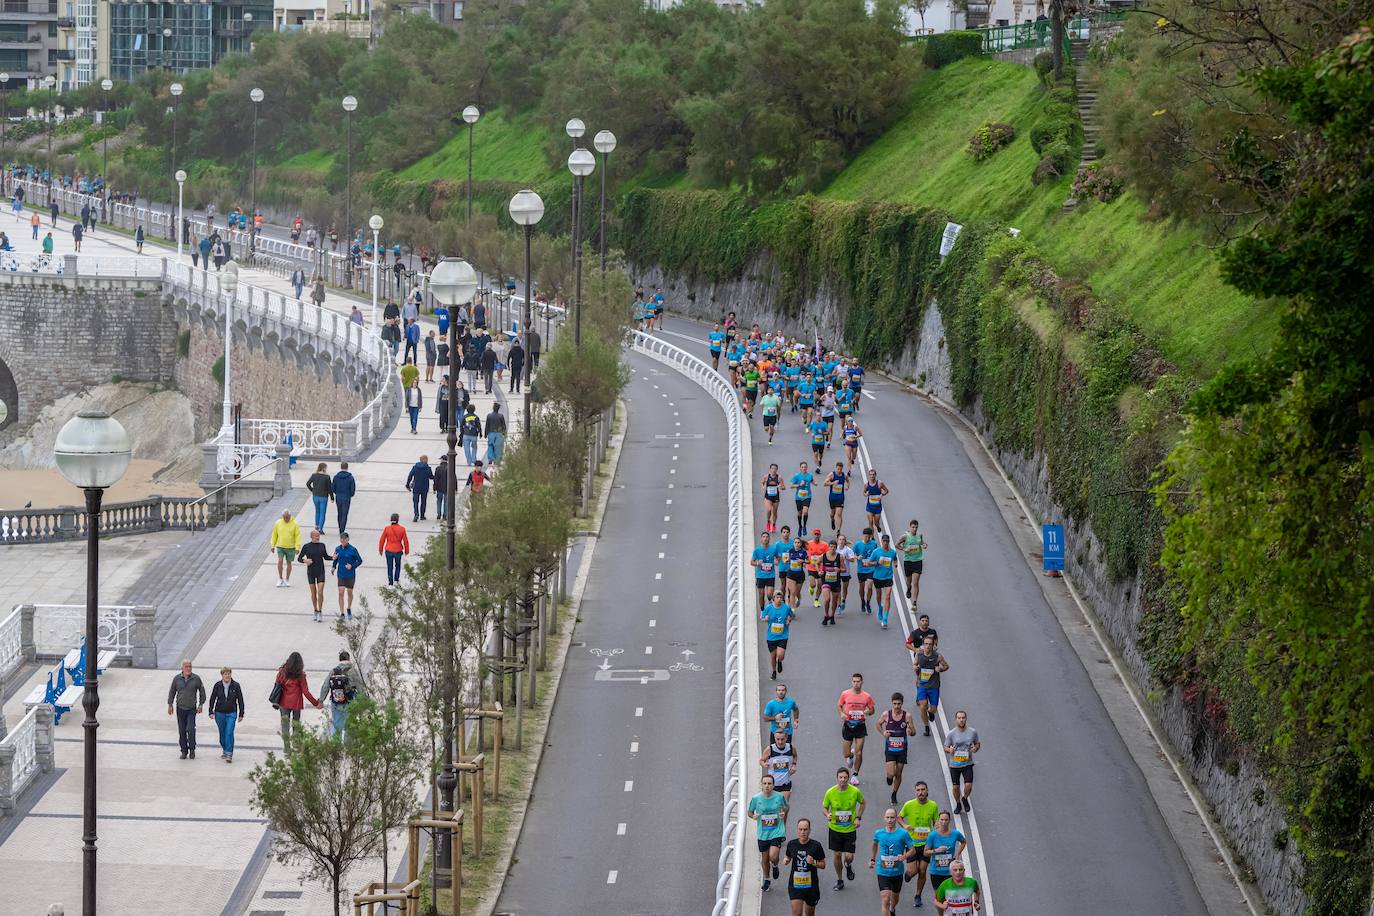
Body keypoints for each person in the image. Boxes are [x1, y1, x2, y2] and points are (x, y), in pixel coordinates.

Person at [822, 767, 865, 891]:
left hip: (850, 829)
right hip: (835, 829)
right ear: (837, 778)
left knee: (849, 856)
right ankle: (840, 879)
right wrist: (827, 814)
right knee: (837, 855)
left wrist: (858, 818)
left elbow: (863, 803)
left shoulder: (854, 791)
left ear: (848, 778)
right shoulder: (830, 792)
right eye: (840, 777)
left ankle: (848, 865)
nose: (843, 780)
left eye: (845, 777)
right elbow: (824, 807)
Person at [899, 781, 941, 907]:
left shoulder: (933, 805)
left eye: (923, 789)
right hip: (911, 844)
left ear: (927, 791)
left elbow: (935, 822)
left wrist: (937, 827)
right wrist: (905, 825)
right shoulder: (909, 805)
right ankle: (909, 873)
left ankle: (918, 895)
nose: (921, 792)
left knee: (922, 871)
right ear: (915, 791)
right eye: (918, 790)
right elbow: (899, 817)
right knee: (913, 871)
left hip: (926, 844)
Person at [272, 651, 321, 753]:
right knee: (296, 724)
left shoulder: (282, 672)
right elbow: (306, 692)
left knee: (285, 725)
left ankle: (286, 747)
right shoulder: (301, 675)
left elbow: (277, 684)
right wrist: (316, 703)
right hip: (296, 703)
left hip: (283, 702)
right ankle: (296, 744)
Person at [869, 807, 916, 914]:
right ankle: (889, 908)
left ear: (896, 819)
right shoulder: (878, 833)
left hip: (897, 872)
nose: (890, 820)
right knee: (885, 900)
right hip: (883, 872)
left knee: (894, 899)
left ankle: (893, 908)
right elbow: (874, 844)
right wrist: (872, 858)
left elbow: (912, 850)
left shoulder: (903, 834)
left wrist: (904, 856)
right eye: (888, 817)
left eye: (892, 817)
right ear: (884, 818)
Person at [748, 774, 790, 892]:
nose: (767, 786)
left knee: (773, 856)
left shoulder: (779, 797)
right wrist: (754, 816)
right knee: (765, 858)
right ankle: (767, 879)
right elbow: (750, 812)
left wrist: (783, 813)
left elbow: (786, 807)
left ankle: (775, 865)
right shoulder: (756, 799)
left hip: (777, 831)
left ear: (773, 785)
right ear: (761, 785)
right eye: (765, 783)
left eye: (769, 783)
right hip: (763, 832)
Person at [783, 818, 826, 916]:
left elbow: (823, 864)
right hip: (795, 885)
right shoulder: (791, 844)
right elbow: (788, 856)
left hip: (811, 887)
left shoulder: (816, 845)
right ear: (797, 830)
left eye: (805, 829)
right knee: (797, 914)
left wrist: (814, 862)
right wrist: (786, 860)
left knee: (810, 914)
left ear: (809, 830)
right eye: (800, 829)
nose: (802, 832)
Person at [878, 693, 916, 805]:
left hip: (902, 750)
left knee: (898, 774)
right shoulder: (886, 714)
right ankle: (889, 777)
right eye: (894, 704)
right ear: (892, 703)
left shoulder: (907, 716)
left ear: (902, 703)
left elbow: (914, 732)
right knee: (891, 773)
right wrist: (883, 733)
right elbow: (878, 724)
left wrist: (910, 731)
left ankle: (894, 794)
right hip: (890, 749)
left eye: (899, 704)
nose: (896, 706)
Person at [838, 673, 875, 784]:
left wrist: (868, 711)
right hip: (848, 725)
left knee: (859, 752)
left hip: (860, 726)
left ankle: (855, 774)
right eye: (854, 681)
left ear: (862, 682)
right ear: (851, 682)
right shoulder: (845, 694)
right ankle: (850, 755)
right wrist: (841, 714)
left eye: (858, 681)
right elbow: (839, 705)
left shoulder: (866, 696)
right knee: (846, 753)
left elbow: (872, 710)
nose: (856, 684)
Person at [166, 659, 206, 760]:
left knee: (190, 729)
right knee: (182, 730)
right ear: (182, 668)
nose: (188, 668)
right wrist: (170, 704)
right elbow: (172, 692)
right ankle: (184, 751)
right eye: (186, 666)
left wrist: (201, 704)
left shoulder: (196, 678)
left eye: (190, 666)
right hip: (180, 709)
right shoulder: (177, 679)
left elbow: (202, 692)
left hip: (192, 709)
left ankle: (192, 749)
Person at [921, 811, 966, 899]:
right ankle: (941, 913)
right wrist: (936, 850)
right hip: (936, 871)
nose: (944, 822)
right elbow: (925, 852)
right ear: (938, 820)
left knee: (950, 897)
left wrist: (958, 854)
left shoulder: (955, 834)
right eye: (941, 820)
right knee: (939, 898)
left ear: (949, 821)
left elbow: (963, 842)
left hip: (950, 871)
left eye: (946, 820)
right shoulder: (932, 835)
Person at [944, 710, 981, 813]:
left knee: (968, 785)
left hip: (967, 763)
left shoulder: (972, 732)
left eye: (963, 718)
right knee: (956, 787)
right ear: (956, 720)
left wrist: (975, 748)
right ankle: (958, 803)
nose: (961, 720)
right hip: (954, 765)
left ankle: (964, 798)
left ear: (966, 719)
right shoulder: (951, 734)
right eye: (959, 718)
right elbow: (945, 747)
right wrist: (949, 750)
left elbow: (978, 743)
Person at [206, 666, 245, 763]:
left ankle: (229, 753)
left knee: (229, 733)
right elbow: (212, 698)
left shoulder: (236, 685)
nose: (227, 675)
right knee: (222, 734)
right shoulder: (217, 685)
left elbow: (240, 700)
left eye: (229, 673)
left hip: (232, 712)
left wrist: (241, 713)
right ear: (222, 675)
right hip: (219, 713)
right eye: (225, 674)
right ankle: (225, 748)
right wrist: (210, 711)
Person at [915, 635, 949, 737]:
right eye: (926, 644)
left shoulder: (938, 656)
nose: (928, 646)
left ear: (933, 645)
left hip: (934, 686)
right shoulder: (919, 655)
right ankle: (926, 727)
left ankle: (931, 713)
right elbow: (915, 664)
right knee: (923, 706)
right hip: (922, 685)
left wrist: (941, 669)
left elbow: (947, 666)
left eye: (930, 644)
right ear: (923, 644)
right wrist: (915, 667)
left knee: (933, 709)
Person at [297, 528, 332, 622]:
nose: (318, 537)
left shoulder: (322, 545)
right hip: (311, 572)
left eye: (319, 536)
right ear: (312, 536)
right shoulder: (306, 546)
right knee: (313, 593)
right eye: (316, 536)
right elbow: (299, 558)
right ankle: (315, 610)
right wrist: (305, 561)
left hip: (320, 571)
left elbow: (326, 557)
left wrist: (333, 557)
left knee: (320, 592)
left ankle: (320, 611)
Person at [325, 650, 362, 737]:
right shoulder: (353, 671)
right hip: (350, 701)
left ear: (339, 659)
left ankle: (336, 745)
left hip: (336, 701)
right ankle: (348, 746)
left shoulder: (334, 671)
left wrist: (321, 700)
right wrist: (363, 699)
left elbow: (325, 686)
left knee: (337, 725)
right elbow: (360, 686)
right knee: (350, 725)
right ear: (349, 659)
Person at [761, 589, 795, 680]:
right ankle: (774, 671)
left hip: (783, 635)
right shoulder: (769, 608)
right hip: (771, 637)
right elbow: (762, 617)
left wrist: (789, 620)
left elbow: (792, 615)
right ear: (773, 599)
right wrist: (766, 619)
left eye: (780, 597)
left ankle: (779, 661)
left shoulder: (786, 608)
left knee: (780, 655)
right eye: (777, 597)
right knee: (773, 656)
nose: (779, 599)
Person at [760, 727, 798, 803]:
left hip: (785, 783)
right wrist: (764, 764)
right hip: (772, 784)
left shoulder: (791, 748)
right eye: (777, 739)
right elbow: (761, 760)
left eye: (782, 739)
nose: (780, 742)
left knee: (784, 804)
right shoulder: (770, 749)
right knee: (772, 805)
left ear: (786, 738)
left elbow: (795, 756)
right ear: (774, 738)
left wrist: (794, 765)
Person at [869, 533, 898, 628]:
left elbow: (895, 559)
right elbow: (869, 563)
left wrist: (895, 564)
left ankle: (885, 619)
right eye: (884, 541)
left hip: (888, 577)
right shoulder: (876, 552)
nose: (885, 543)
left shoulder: (893, 552)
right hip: (877, 577)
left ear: (889, 542)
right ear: (881, 541)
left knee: (888, 596)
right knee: (878, 595)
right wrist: (877, 563)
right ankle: (880, 607)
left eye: (887, 541)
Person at [897, 519, 927, 606]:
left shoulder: (919, 535)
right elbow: (896, 545)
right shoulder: (905, 536)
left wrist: (924, 545)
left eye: (916, 527)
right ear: (910, 527)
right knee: (909, 581)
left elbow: (922, 542)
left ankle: (914, 602)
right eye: (913, 527)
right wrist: (905, 549)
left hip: (918, 561)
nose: (914, 529)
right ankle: (908, 588)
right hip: (908, 561)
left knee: (916, 583)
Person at [332, 532, 363, 618]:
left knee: (349, 593)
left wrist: (352, 566)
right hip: (341, 574)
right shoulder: (337, 549)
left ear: (348, 539)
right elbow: (335, 558)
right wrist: (333, 567)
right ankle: (342, 613)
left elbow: (360, 560)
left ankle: (348, 608)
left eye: (345, 539)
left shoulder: (353, 549)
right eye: (341, 539)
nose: (343, 540)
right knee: (341, 592)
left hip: (350, 575)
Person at [270, 510, 302, 587]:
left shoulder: (295, 524)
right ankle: (280, 578)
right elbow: (274, 535)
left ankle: (287, 579)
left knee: (289, 563)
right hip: (280, 546)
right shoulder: (278, 523)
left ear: (290, 516)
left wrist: (297, 547)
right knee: (280, 561)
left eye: (287, 517)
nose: (286, 519)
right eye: (284, 517)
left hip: (290, 547)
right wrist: (272, 545)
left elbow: (298, 536)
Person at [379, 513, 409, 585]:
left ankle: (390, 583)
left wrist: (381, 550)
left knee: (390, 567)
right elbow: (405, 541)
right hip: (398, 550)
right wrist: (406, 551)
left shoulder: (387, 529)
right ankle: (396, 579)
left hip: (388, 550)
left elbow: (382, 540)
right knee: (397, 566)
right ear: (398, 520)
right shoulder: (402, 529)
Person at [405, 454, 433, 521]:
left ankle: (416, 514)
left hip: (416, 487)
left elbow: (410, 476)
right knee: (423, 501)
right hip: (424, 487)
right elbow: (431, 477)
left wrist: (407, 484)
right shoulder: (427, 468)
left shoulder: (415, 467)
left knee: (415, 501)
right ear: (425, 460)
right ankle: (422, 515)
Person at [307, 462, 333, 531]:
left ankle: (316, 526)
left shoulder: (314, 475)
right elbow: (329, 488)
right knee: (322, 513)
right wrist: (332, 497)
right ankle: (320, 529)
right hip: (324, 496)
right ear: (324, 468)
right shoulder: (327, 477)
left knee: (317, 511)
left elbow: (308, 484)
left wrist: (312, 490)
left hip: (315, 496)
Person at [332, 461, 356, 534]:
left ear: (341, 467)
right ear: (347, 467)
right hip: (346, 498)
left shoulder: (336, 477)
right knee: (344, 514)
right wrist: (350, 495)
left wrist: (337, 493)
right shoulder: (350, 477)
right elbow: (352, 488)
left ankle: (340, 527)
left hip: (338, 497)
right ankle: (342, 529)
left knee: (339, 513)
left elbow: (333, 487)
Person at [862, 468, 889, 532]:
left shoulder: (880, 483)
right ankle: (872, 537)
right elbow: (863, 493)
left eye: (873, 474)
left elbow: (886, 491)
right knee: (870, 522)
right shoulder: (866, 484)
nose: (872, 476)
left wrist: (882, 494)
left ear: (875, 475)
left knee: (876, 523)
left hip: (877, 507)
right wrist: (866, 494)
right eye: (870, 475)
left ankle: (877, 526)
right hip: (870, 507)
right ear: (869, 475)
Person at [791, 462, 815, 534]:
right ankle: (800, 526)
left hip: (807, 496)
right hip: (798, 497)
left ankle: (804, 526)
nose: (804, 468)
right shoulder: (797, 476)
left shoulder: (810, 475)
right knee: (799, 513)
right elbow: (791, 486)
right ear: (800, 468)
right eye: (802, 467)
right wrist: (799, 485)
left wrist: (815, 483)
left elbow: (812, 480)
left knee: (805, 511)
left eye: (805, 467)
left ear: (807, 468)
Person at [761, 463, 784, 533]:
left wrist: (781, 487)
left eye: (775, 469)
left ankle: (773, 524)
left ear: (777, 470)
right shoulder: (766, 477)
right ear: (770, 469)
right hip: (768, 497)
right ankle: (768, 522)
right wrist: (763, 485)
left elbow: (784, 487)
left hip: (776, 497)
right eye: (772, 469)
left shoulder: (779, 478)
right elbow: (762, 482)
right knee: (769, 510)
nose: (773, 470)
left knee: (774, 512)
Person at [824, 462, 847, 532]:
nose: (839, 470)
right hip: (832, 498)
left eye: (840, 469)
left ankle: (838, 530)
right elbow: (824, 483)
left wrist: (847, 486)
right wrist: (833, 483)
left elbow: (848, 481)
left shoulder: (844, 475)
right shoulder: (832, 475)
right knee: (832, 514)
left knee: (839, 514)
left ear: (842, 469)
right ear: (836, 468)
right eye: (838, 469)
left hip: (840, 497)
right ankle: (832, 520)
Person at [433, 455, 451, 520]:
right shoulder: (450, 467)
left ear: (442, 460)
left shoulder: (438, 468)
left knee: (439, 501)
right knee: (446, 502)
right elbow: (454, 478)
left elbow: (436, 479)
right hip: (447, 487)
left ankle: (439, 514)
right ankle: (445, 515)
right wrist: (455, 488)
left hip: (439, 488)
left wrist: (434, 488)